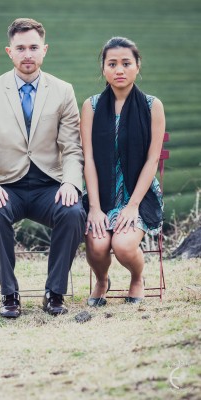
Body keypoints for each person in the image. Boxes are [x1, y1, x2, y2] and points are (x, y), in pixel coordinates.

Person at [0, 18, 86, 318]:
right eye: (21, 48)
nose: (28, 54)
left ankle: (54, 293)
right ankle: (9, 293)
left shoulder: (63, 90)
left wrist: (71, 183)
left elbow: (72, 146)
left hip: (49, 184)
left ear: (44, 50)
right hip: (6, 185)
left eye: (34, 47)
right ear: (9, 51)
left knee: (73, 212)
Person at [80, 37, 165, 306]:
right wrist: (94, 207)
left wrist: (132, 206)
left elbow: (152, 161)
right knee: (96, 243)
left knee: (124, 245)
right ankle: (102, 280)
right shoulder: (91, 106)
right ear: (103, 68)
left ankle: (137, 278)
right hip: (101, 194)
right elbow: (89, 159)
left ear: (137, 66)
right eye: (112, 63)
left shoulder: (152, 106)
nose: (119, 69)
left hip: (137, 194)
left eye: (126, 63)